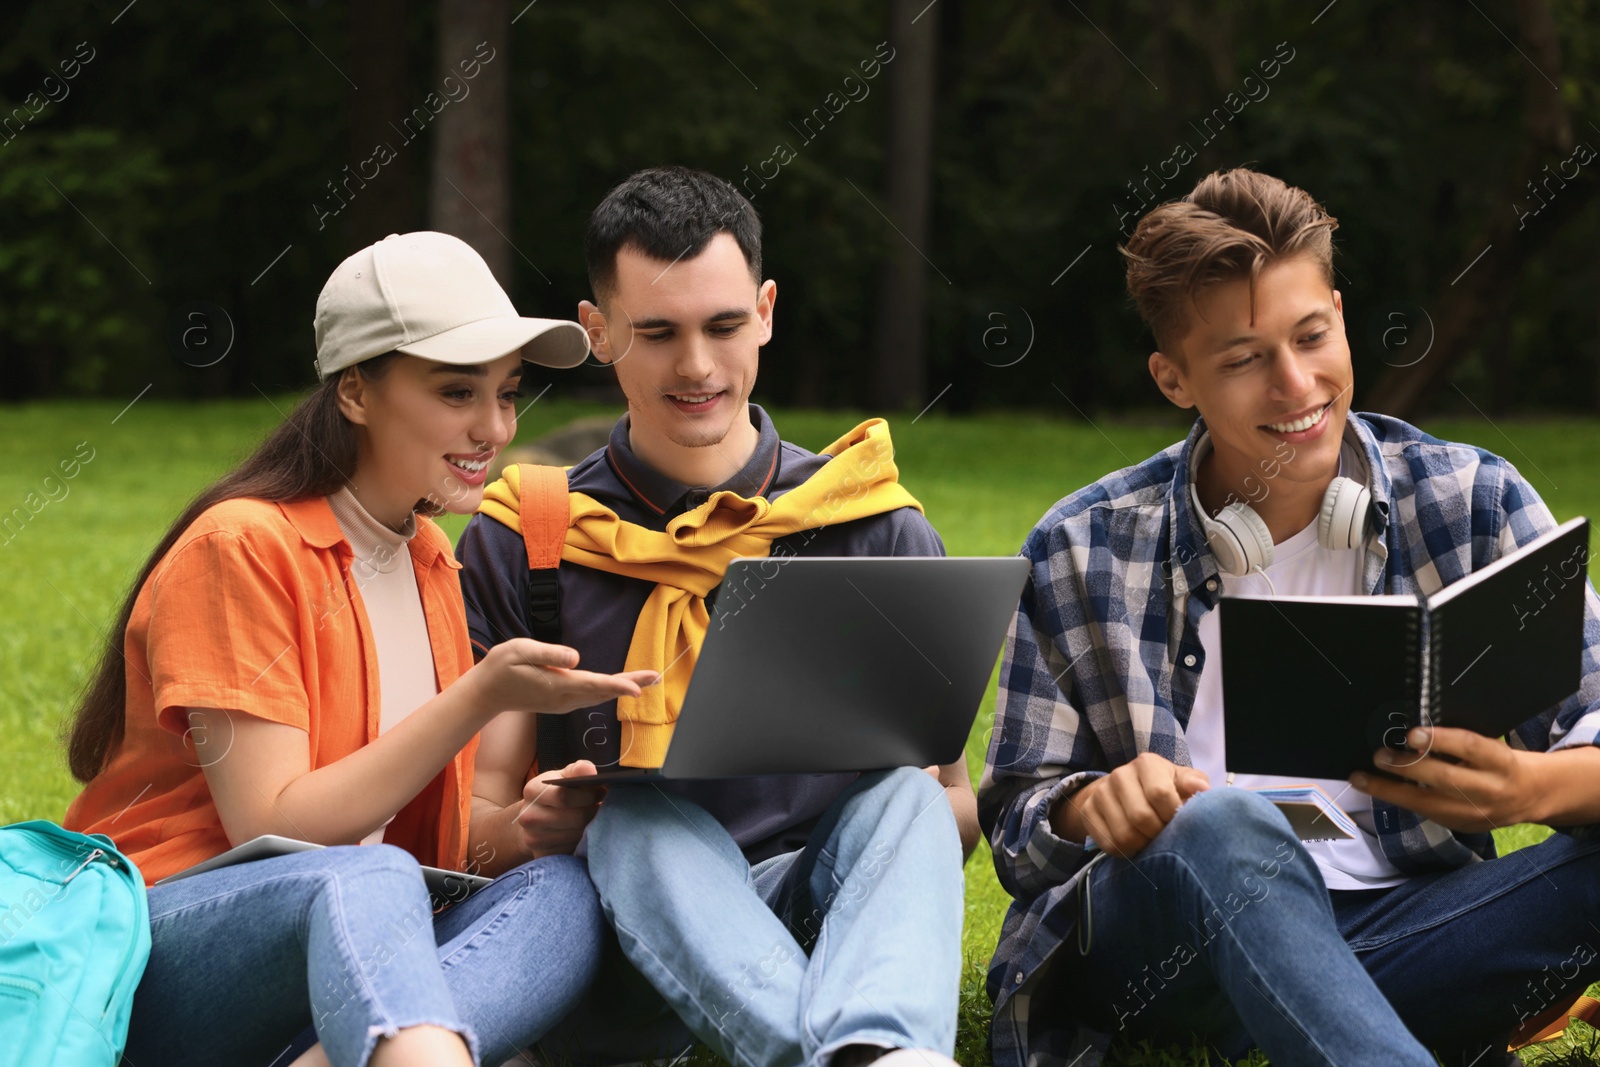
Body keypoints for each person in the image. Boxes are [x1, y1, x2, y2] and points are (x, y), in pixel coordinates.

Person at [979, 168, 1600, 1066]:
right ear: (1173, 377)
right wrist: (1088, 806)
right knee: (1225, 825)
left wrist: (1528, 791)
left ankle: (1326, 1018)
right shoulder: (1082, 546)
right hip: (1168, 950)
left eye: (1313, 336)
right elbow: (1015, 826)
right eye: (1243, 359)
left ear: (1342, 315)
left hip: (1408, 929)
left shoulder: (1473, 501)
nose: (1296, 383)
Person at [63, 231, 656, 1067]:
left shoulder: (430, 564)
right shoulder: (239, 547)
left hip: (352, 945)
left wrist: (526, 829)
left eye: (508, 394)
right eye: (457, 392)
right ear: (354, 393)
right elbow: (276, 828)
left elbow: (433, 855)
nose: (494, 428)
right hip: (169, 956)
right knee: (363, 878)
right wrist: (477, 698)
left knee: (558, 892)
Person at [456, 166, 977, 1067]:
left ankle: (868, 1053)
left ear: (767, 311)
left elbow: (954, 806)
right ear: (597, 331)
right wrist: (529, 828)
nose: (696, 366)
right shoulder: (531, 536)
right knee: (634, 817)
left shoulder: (870, 520)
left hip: (824, 919)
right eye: (656, 333)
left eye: (724, 325)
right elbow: (471, 823)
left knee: (904, 794)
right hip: (624, 937)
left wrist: (914, 825)